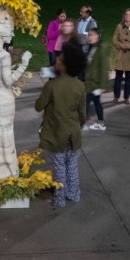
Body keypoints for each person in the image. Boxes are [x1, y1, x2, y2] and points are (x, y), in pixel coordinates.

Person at [0, 8, 33, 180]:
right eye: (10, 27)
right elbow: (8, 81)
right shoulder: (4, 56)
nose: (12, 31)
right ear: (0, 29)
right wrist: (24, 64)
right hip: (3, 102)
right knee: (5, 138)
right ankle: (6, 176)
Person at [35, 40, 87, 208]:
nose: (56, 59)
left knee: (59, 167)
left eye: (59, 59)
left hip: (57, 133)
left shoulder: (52, 85)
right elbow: (82, 114)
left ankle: (59, 199)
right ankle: (74, 194)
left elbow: (38, 106)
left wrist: (46, 87)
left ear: (64, 66)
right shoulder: (80, 85)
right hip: (74, 133)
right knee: (71, 164)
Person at [111, 8, 130, 105]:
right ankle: (116, 96)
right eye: (126, 14)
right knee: (118, 78)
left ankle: (126, 97)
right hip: (120, 55)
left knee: (129, 79)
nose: (127, 16)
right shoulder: (119, 26)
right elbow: (114, 39)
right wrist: (120, 45)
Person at [82, 27, 109, 131]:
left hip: (95, 83)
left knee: (85, 102)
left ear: (98, 36)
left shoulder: (101, 48)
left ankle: (82, 123)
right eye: (89, 35)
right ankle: (101, 124)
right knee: (96, 103)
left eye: (92, 35)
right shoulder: (93, 47)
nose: (90, 37)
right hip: (91, 81)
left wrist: (103, 86)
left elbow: (104, 68)